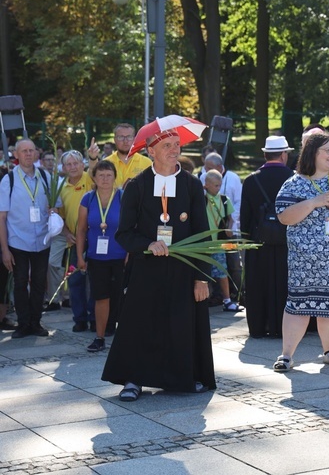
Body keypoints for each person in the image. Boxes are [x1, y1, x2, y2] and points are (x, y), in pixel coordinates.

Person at [102, 128, 216, 401]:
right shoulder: (137, 185)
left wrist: (202, 278)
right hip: (146, 269)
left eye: (177, 145)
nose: (174, 150)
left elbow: (203, 233)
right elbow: (124, 233)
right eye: (167, 145)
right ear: (150, 151)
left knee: (180, 324)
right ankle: (134, 379)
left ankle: (182, 378)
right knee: (140, 324)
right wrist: (147, 245)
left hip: (183, 271)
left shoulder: (191, 185)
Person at [273, 132, 329, 371]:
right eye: (328, 150)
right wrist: (315, 201)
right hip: (303, 260)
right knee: (298, 305)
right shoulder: (294, 183)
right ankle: (286, 355)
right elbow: (284, 217)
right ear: (312, 153)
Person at [240, 136, 294, 338]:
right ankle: (283, 328)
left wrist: (246, 239)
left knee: (258, 283)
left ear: (265, 154)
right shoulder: (292, 177)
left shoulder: (251, 179)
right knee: (284, 282)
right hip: (287, 237)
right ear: (283, 154)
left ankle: (258, 327)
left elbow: (244, 216)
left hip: (258, 239)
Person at [0, 139, 51, 338]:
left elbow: (54, 207)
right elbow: (2, 217)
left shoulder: (46, 177)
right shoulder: (9, 180)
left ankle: (35, 322)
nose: (29, 154)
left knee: (39, 283)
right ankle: (23, 324)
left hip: (42, 241)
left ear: (36, 154)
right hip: (18, 242)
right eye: (24, 151)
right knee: (20, 283)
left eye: (31, 150)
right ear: (17, 155)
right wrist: (5, 249)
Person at [76, 161, 126, 352]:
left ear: (115, 177)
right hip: (96, 257)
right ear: (94, 178)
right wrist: (80, 257)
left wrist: (130, 254)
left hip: (121, 256)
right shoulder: (87, 199)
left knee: (122, 297)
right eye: (101, 175)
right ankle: (100, 337)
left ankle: (126, 337)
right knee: (101, 297)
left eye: (109, 175)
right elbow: (80, 230)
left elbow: (132, 228)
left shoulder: (123, 197)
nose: (105, 179)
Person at [59, 149, 96, 332]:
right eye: (69, 164)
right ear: (64, 167)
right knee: (75, 282)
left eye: (76, 163)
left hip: (95, 237)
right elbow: (61, 217)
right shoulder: (60, 188)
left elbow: (95, 167)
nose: (73, 167)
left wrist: (93, 157)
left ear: (83, 165)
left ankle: (95, 317)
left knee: (95, 280)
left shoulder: (89, 179)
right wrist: (66, 233)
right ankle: (79, 319)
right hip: (74, 241)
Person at [199, 152, 243, 303]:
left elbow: (234, 210)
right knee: (206, 270)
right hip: (206, 242)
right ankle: (211, 297)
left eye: (209, 167)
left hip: (222, 240)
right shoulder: (202, 196)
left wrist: (231, 227)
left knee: (230, 266)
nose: (218, 188)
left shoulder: (231, 183)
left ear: (219, 167)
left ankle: (233, 295)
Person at [105, 123, 152, 188]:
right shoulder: (106, 163)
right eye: (121, 137)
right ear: (114, 139)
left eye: (129, 137)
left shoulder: (147, 163)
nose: (125, 141)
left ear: (134, 139)